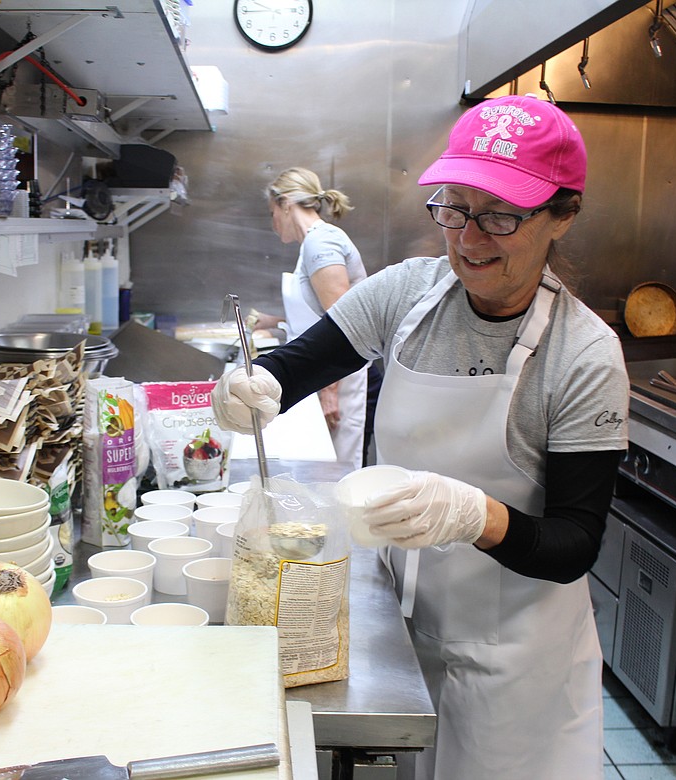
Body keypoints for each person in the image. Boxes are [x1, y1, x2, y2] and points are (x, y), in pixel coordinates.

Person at [211, 94, 629, 779]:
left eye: (500, 215)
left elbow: (573, 545)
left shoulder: (582, 356)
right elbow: (293, 366)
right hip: (401, 631)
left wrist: (475, 515)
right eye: (454, 207)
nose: (467, 238)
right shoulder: (410, 293)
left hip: (515, 663)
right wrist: (252, 389)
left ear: (563, 213)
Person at [255, 167, 372, 469]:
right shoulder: (313, 243)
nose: (273, 223)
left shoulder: (322, 242)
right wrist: (276, 322)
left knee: (334, 474)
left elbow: (343, 325)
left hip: (336, 380)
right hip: (319, 374)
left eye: (272, 213)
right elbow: (319, 315)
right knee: (318, 471)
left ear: (285, 203)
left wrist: (328, 392)